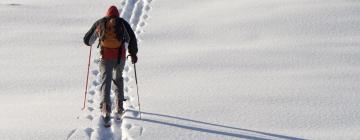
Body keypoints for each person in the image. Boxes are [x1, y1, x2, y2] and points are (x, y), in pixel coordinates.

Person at [83, 5, 138, 126]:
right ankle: (119, 106)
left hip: (105, 57)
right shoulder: (122, 23)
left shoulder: (100, 23)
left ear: (107, 14)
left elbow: (87, 40)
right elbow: (131, 39)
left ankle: (105, 107)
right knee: (118, 79)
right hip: (120, 58)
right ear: (117, 14)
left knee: (105, 80)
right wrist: (133, 53)